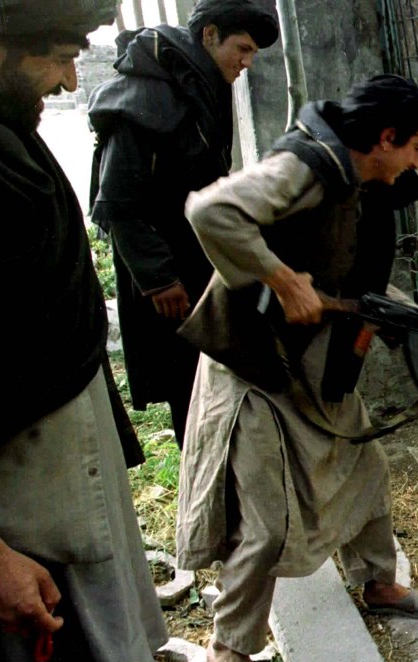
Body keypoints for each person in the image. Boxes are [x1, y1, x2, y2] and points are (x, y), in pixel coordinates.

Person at [176, 74, 418, 662]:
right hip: (256, 370)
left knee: (366, 474)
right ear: (386, 136)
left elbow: (358, 291)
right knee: (269, 520)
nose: (415, 162)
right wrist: (282, 279)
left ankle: (379, 584)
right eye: (416, 145)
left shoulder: (363, 189)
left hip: (316, 370)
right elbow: (210, 211)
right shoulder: (308, 167)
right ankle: (230, 645)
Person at [0, 1, 169, 662]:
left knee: (105, 658)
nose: (71, 81)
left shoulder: (7, 135)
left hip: (65, 477)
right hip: (20, 508)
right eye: (57, 55)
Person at [87, 0, 279, 449]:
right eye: (243, 48)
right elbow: (117, 203)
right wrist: (159, 279)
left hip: (193, 262)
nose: (247, 63)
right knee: (187, 391)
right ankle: (201, 476)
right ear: (209, 35)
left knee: (210, 379)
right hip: (167, 278)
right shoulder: (148, 93)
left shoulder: (200, 86)